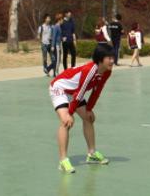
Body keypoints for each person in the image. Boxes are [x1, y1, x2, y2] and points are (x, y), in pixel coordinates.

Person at [49, 42, 115, 172]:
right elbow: (80, 93)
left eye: (113, 57)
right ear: (100, 59)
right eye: (109, 58)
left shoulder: (106, 72)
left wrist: (89, 109)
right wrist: (70, 113)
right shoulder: (90, 71)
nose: (112, 61)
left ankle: (92, 153)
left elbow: (97, 91)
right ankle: (63, 161)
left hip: (74, 92)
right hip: (60, 88)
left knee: (89, 118)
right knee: (66, 121)